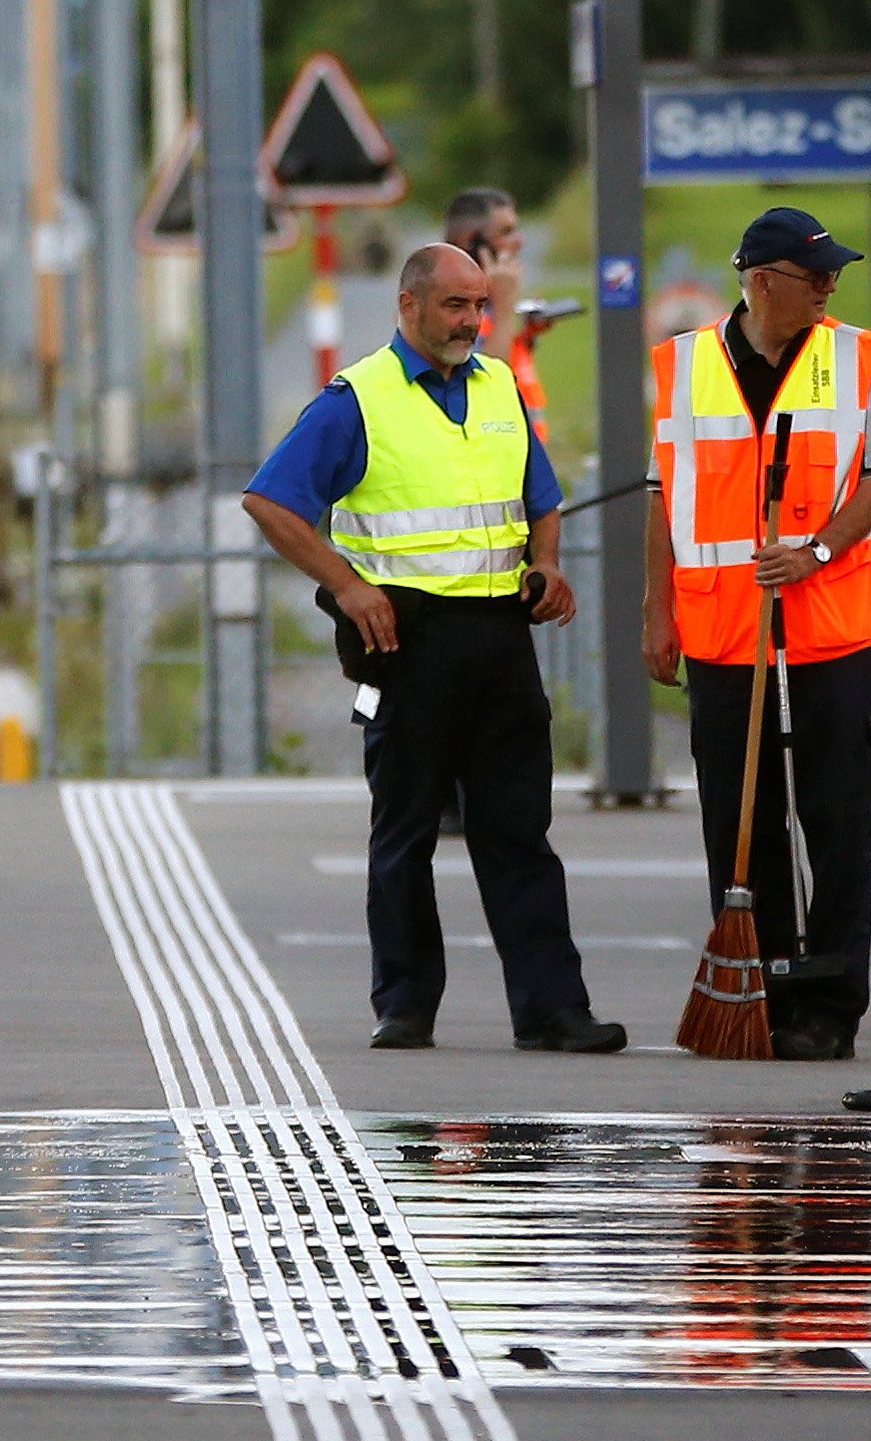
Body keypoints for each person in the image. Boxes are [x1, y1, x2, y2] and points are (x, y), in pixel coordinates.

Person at [241, 242, 627, 1056]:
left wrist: (547, 564)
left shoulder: (498, 388)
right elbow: (270, 500)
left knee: (520, 830)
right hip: (405, 641)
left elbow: (541, 495)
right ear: (408, 306)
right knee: (406, 831)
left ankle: (553, 1008)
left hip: (499, 636)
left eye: (479, 305)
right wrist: (347, 585)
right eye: (455, 305)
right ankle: (406, 1005)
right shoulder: (358, 398)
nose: (471, 321)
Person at [645, 207, 871, 1060]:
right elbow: (663, 501)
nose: (832, 286)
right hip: (724, 630)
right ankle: (762, 987)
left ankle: (829, 1004)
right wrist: (658, 613)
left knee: (836, 814)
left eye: (834, 274)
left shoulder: (855, 358)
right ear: (762, 281)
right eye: (815, 274)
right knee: (741, 818)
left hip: (831, 623)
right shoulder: (683, 369)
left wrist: (818, 548)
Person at [441, 186, 561, 448]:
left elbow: (505, 363)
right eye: (506, 232)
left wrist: (525, 338)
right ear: (471, 243)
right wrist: (506, 305)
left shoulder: (489, 301)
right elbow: (487, 382)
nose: (519, 241)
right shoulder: (445, 306)